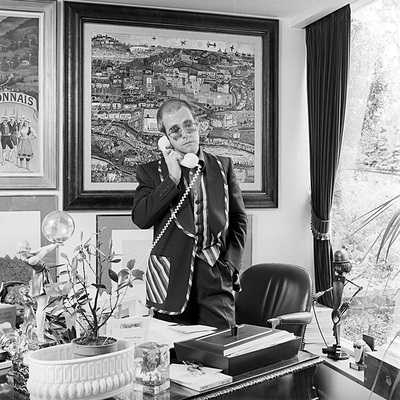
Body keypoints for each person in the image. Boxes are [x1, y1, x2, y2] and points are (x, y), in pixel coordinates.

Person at [132, 99, 247, 329]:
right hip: (169, 277)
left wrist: (231, 266)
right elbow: (141, 218)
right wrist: (173, 179)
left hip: (215, 273)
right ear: (165, 138)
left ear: (198, 125)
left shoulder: (223, 167)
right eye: (175, 131)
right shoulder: (151, 172)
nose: (185, 134)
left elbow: (238, 219)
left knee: (221, 347)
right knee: (172, 353)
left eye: (189, 125)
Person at [16, 241, 59, 342]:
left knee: (43, 306)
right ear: (23, 250)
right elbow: (44, 251)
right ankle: (39, 333)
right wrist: (50, 246)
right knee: (42, 307)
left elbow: (46, 249)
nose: (29, 249)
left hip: (42, 278)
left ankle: (40, 330)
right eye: (27, 247)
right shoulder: (31, 260)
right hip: (40, 281)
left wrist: (56, 244)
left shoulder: (28, 255)